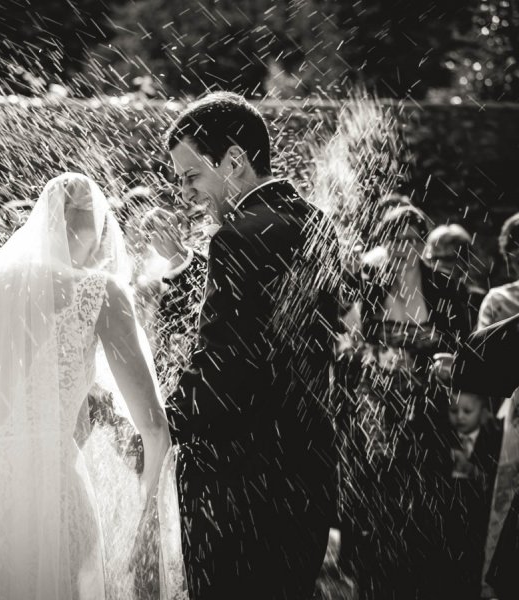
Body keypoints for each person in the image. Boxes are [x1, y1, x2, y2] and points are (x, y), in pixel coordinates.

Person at [0, 173, 178, 600]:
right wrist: (149, 520)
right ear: (93, 231)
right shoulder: (100, 291)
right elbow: (153, 428)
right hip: (51, 500)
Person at [166, 92, 341, 599]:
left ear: (235, 161)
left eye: (191, 176)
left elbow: (227, 364)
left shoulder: (238, 236)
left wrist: (163, 419)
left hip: (241, 485)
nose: (186, 194)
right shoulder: (316, 223)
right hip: (305, 473)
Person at [340, 205, 470, 599]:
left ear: (422, 243)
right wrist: (386, 359)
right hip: (377, 415)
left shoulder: (447, 289)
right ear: (384, 242)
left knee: (429, 510)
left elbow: (464, 351)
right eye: (395, 238)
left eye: (412, 238)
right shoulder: (367, 288)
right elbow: (345, 347)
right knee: (380, 509)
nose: (404, 247)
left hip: (430, 415)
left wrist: (444, 367)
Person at [138, 206, 206, 396]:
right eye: (155, 235)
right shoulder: (156, 282)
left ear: (176, 227)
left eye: (167, 228)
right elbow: (157, 336)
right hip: (178, 377)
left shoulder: (203, 261)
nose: (163, 237)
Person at [440, 390, 502, 600]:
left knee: (473, 572)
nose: (460, 416)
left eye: (467, 411)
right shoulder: (442, 438)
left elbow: (497, 481)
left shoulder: (494, 440)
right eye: (453, 410)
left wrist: (473, 471)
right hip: (448, 520)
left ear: (483, 411)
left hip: (479, 522)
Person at [425, 223, 487, 328]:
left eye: (448, 259)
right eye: (434, 258)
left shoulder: (478, 301)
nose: (439, 265)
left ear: (465, 262)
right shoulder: (419, 296)